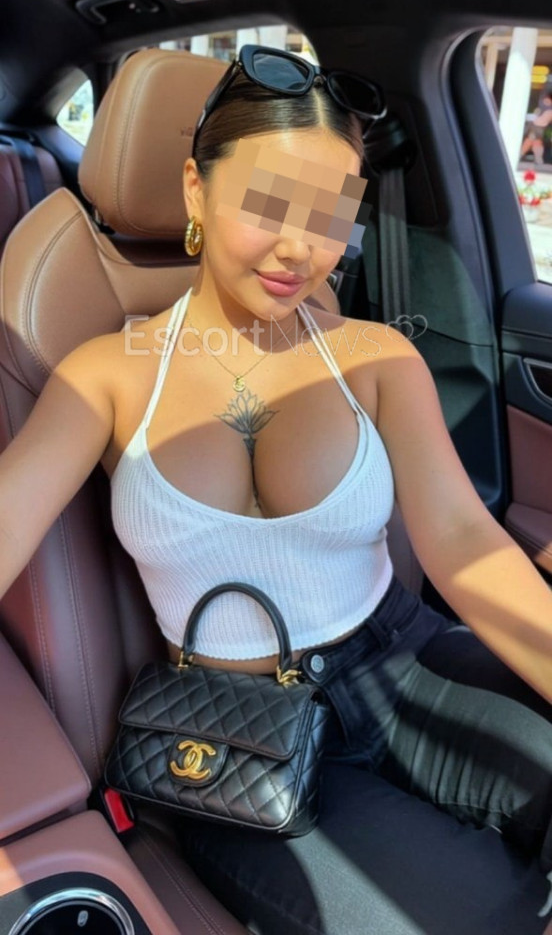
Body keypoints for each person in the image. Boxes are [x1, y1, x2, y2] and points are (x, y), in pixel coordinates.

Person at [1, 46, 552, 935]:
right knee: (488, 917)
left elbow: (463, 540)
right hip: (233, 726)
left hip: (403, 658)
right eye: (268, 204)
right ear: (196, 190)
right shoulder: (107, 374)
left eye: (331, 214)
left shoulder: (376, 358)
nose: (302, 248)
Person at [520, 88, 552, 166]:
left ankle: (520, 154)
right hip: (539, 128)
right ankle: (538, 158)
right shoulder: (546, 109)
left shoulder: (548, 109)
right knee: (536, 143)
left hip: (537, 127)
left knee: (529, 141)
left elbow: (540, 118)